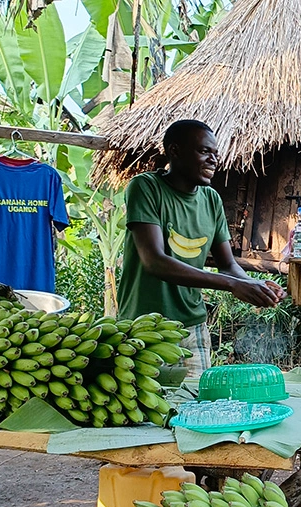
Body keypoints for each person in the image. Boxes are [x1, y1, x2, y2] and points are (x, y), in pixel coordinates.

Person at [117, 119, 284, 377]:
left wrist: (255, 285)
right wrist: (232, 285)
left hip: (192, 328)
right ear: (175, 151)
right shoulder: (146, 188)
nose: (213, 160)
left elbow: (228, 264)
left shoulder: (211, 200)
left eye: (215, 154)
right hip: (144, 326)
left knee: (197, 408)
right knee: (144, 415)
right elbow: (154, 261)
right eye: (204, 151)